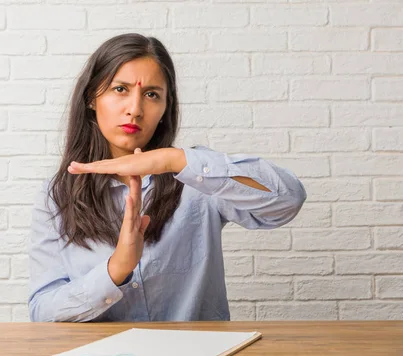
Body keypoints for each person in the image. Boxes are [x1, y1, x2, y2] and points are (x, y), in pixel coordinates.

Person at [28, 33, 307, 322]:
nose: (135, 109)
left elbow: (287, 200)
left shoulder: (197, 180)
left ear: (165, 108)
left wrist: (174, 159)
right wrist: (116, 269)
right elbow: (43, 312)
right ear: (91, 98)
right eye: (120, 89)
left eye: (151, 95)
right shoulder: (57, 196)